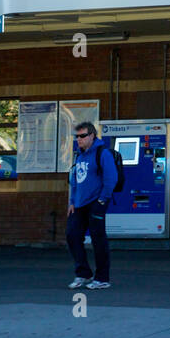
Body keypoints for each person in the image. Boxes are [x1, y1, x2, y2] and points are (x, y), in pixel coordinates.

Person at [66, 122, 118, 290]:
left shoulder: (103, 154)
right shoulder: (79, 156)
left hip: (96, 202)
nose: (78, 139)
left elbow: (111, 178)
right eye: (77, 136)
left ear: (92, 136)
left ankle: (102, 278)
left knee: (98, 240)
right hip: (79, 204)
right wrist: (72, 201)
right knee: (72, 236)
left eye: (82, 136)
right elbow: (74, 181)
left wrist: (102, 200)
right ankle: (83, 273)